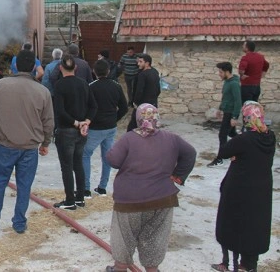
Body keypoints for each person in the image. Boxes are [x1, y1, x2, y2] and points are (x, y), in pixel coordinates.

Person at [105, 104, 197, 272]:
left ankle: (120, 268)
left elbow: (113, 161)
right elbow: (190, 153)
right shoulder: (171, 138)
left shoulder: (129, 138)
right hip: (163, 198)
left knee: (124, 236)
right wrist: (178, 175)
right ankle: (152, 270)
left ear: (138, 118)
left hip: (130, 200)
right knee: (155, 237)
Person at [0, 50, 54, 233]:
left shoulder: (0, 85)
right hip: (30, 149)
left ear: (15, 66)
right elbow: (48, 122)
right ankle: (19, 224)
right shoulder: (43, 91)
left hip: (4, 146)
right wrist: (46, 143)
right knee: (24, 187)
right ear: (34, 67)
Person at [212, 101, 276, 272]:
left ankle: (229, 263)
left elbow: (223, 151)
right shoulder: (270, 137)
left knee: (233, 225)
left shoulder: (244, 140)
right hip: (261, 191)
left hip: (239, 189)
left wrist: (236, 154)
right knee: (254, 227)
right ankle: (248, 265)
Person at [52, 55, 97, 210]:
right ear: (76, 68)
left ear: (60, 67)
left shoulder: (59, 86)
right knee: (78, 164)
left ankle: (70, 200)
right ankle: (80, 198)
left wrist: (76, 122)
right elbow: (93, 107)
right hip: (81, 132)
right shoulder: (84, 83)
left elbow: (60, 111)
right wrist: (86, 122)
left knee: (66, 166)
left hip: (66, 131)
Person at [82, 59, 128, 198]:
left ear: (94, 72)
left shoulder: (91, 86)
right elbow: (124, 108)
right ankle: (102, 187)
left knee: (85, 154)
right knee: (107, 157)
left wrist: (86, 122)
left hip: (95, 127)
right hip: (110, 127)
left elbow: (85, 107)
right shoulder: (116, 86)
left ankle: (86, 189)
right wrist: (115, 119)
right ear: (108, 71)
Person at [208, 62, 241, 168]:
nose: (219, 74)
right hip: (226, 111)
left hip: (230, 113)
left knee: (222, 135)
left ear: (227, 72)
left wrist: (235, 117)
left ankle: (220, 158)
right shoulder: (227, 82)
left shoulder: (234, 84)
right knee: (232, 134)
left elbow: (238, 101)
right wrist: (220, 109)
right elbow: (226, 98)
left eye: (221, 72)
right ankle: (245, 147)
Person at [127, 53, 160, 131]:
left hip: (142, 105)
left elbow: (139, 90)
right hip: (153, 104)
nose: (138, 64)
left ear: (147, 63)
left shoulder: (142, 74)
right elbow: (158, 89)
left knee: (133, 126)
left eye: (141, 62)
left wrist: (135, 102)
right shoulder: (155, 72)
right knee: (150, 125)